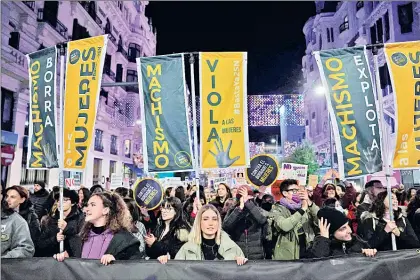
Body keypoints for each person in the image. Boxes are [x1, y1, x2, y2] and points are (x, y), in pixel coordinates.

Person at [54, 192, 142, 264]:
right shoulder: (79, 239)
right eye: (87, 205)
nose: (87, 209)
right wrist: (64, 258)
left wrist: (118, 262)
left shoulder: (126, 241)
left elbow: (134, 268)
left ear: (105, 210)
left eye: (93, 205)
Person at [174, 204, 247, 265]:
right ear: (199, 222)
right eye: (206, 219)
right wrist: (165, 262)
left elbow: (242, 274)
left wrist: (241, 263)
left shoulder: (232, 248)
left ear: (218, 222)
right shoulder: (187, 249)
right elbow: (176, 271)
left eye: (214, 219)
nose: (210, 223)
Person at [267, 179, 319, 260]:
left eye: (298, 190)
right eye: (294, 191)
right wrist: (302, 210)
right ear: (285, 193)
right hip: (288, 253)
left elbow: (319, 219)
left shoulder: (304, 205)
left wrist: (309, 202)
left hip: (307, 249)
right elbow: (284, 226)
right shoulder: (277, 209)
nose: (297, 193)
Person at [223, 185, 268, 260]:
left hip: (257, 256)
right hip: (238, 256)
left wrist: (248, 203)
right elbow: (226, 226)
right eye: (242, 196)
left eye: (248, 196)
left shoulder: (257, 209)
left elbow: (262, 220)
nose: (245, 198)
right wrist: (239, 208)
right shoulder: (233, 211)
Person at [310, 208, 377, 258]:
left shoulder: (358, 242)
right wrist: (323, 239)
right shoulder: (320, 246)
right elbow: (318, 263)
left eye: (348, 225)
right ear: (330, 233)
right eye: (343, 229)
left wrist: (369, 253)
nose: (350, 231)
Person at [37, 188, 84, 257]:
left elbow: (81, 241)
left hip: (73, 262)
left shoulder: (80, 219)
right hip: (54, 260)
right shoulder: (51, 220)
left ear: (73, 203)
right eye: (59, 200)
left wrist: (66, 229)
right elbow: (40, 244)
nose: (60, 203)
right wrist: (54, 239)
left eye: (65, 200)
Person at [1, 183, 35, 258]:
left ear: (22, 199)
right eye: (6, 196)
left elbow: (27, 247)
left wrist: (5, 258)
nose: (7, 200)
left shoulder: (21, 220)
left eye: (12, 197)